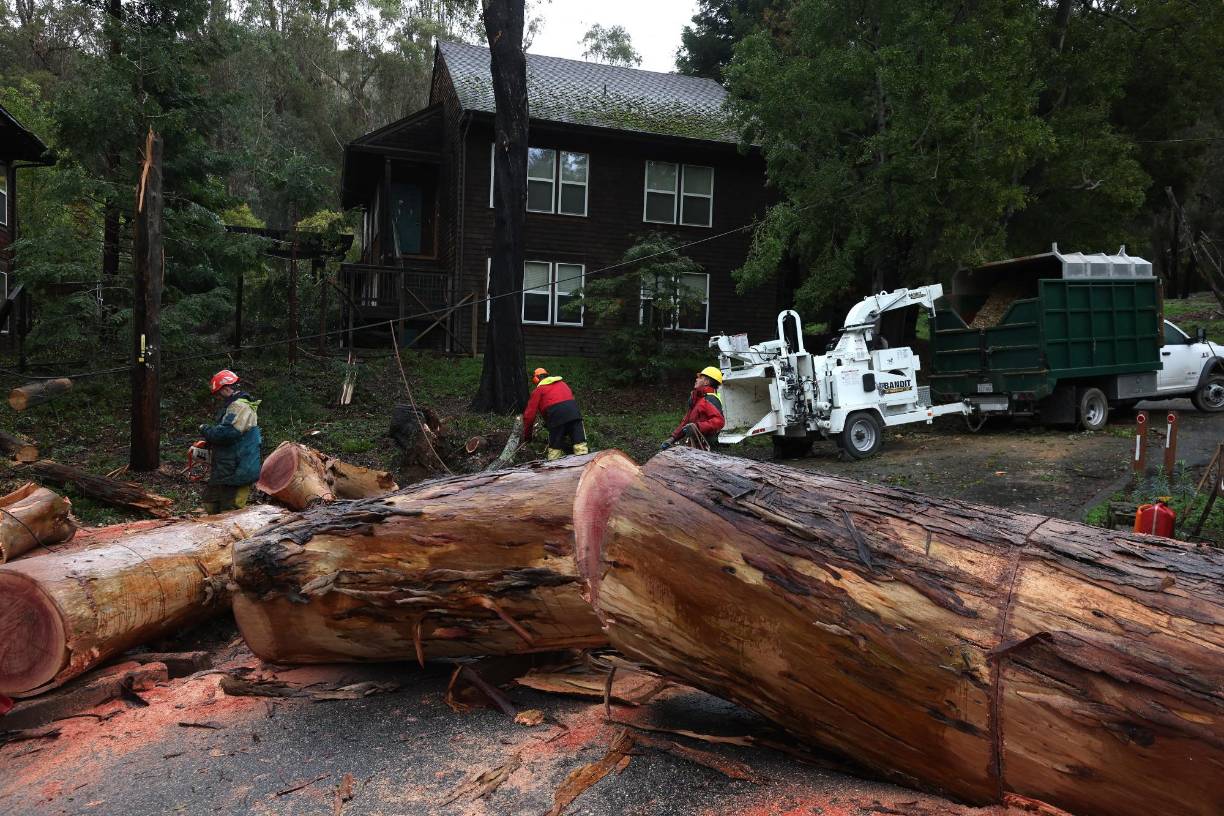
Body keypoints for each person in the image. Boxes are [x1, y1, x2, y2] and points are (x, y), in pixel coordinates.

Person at [199, 369, 263, 513]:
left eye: (218, 393)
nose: (218, 398)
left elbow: (227, 433)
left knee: (230, 513)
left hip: (236, 469)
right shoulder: (234, 406)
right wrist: (209, 443)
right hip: (225, 469)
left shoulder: (239, 406)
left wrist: (205, 430)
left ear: (226, 388)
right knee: (210, 504)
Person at [522, 367, 588, 461]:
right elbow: (567, 401)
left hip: (555, 417)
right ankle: (585, 467)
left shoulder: (538, 390)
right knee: (580, 445)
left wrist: (527, 436)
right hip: (574, 414)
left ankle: (553, 469)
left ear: (536, 379)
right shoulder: (563, 384)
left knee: (555, 449)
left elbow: (529, 416)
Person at [662, 366, 725, 450]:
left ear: (706, 382)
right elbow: (686, 422)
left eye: (700, 378)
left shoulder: (710, 399)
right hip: (696, 448)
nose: (696, 379)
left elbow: (719, 421)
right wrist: (673, 438)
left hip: (707, 449)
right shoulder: (698, 399)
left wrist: (697, 427)